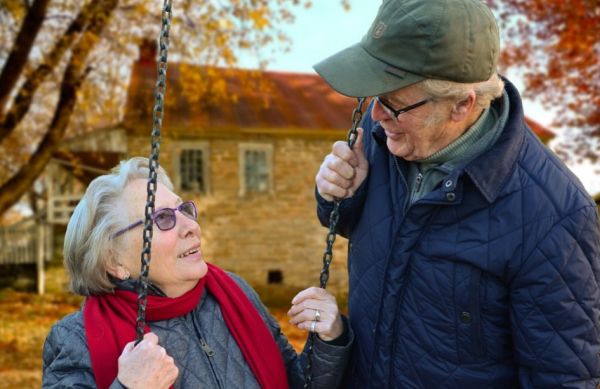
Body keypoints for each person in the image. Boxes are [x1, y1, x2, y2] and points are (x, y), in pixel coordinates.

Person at [313, 0, 600, 387]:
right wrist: (339, 195)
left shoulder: (555, 217)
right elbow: (357, 228)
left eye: (394, 104)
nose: (377, 115)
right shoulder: (386, 135)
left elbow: (562, 377)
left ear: (462, 105)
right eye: (374, 97)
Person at [42, 157, 352, 389]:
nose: (191, 226)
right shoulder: (74, 339)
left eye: (183, 210)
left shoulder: (234, 293)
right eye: (162, 218)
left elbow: (295, 383)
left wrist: (328, 339)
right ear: (114, 261)